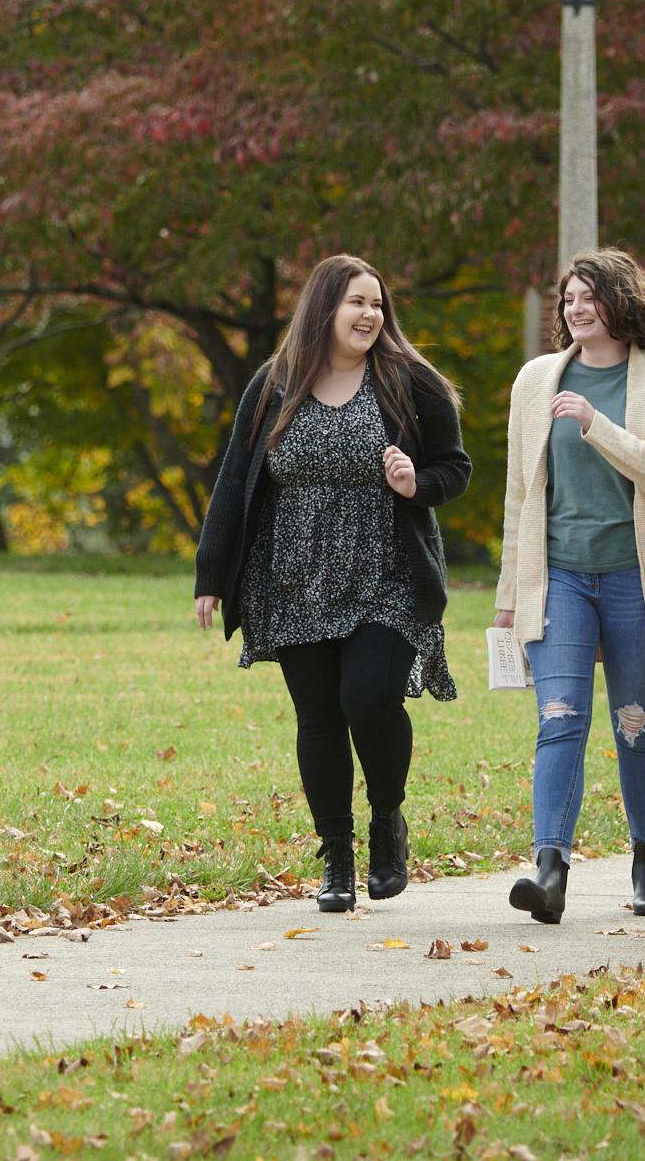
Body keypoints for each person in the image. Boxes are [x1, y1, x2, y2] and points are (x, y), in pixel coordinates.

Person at [193, 254, 471, 915]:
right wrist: (211, 573)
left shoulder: (409, 381)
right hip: (294, 575)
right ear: (324, 308)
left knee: (368, 696)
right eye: (355, 302)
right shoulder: (274, 383)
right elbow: (234, 479)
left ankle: (386, 823)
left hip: (388, 570)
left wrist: (416, 482)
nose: (370, 314)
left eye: (376, 303)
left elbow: (454, 467)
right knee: (317, 715)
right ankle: (336, 856)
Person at [493, 248, 645, 924]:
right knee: (558, 721)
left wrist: (597, 426)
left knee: (635, 727)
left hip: (635, 579)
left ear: (622, 302)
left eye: (588, 296)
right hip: (556, 576)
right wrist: (507, 599)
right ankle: (548, 871)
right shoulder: (535, 380)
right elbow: (518, 495)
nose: (575, 308)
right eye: (567, 298)